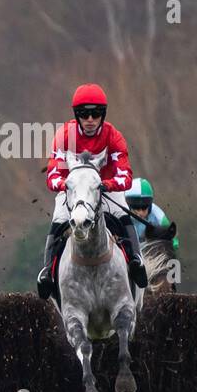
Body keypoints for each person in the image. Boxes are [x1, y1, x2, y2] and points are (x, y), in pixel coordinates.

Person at [37, 83, 146, 299]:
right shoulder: (64, 136)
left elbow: (125, 176)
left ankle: (136, 260)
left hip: (105, 188)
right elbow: (52, 175)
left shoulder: (113, 136)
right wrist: (67, 186)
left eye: (95, 114)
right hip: (74, 192)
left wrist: (107, 185)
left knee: (122, 213)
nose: (90, 119)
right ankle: (47, 272)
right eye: (84, 114)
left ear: (102, 115)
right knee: (59, 219)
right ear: (77, 115)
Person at [126, 178, 178, 254]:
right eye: (136, 207)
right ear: (129, 205)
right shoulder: (121, 213)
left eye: (144, 208)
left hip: (150, 253)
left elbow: (173, 238)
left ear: (149, 205)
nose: (140, 213)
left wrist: (173, 244)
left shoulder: (158, 215)